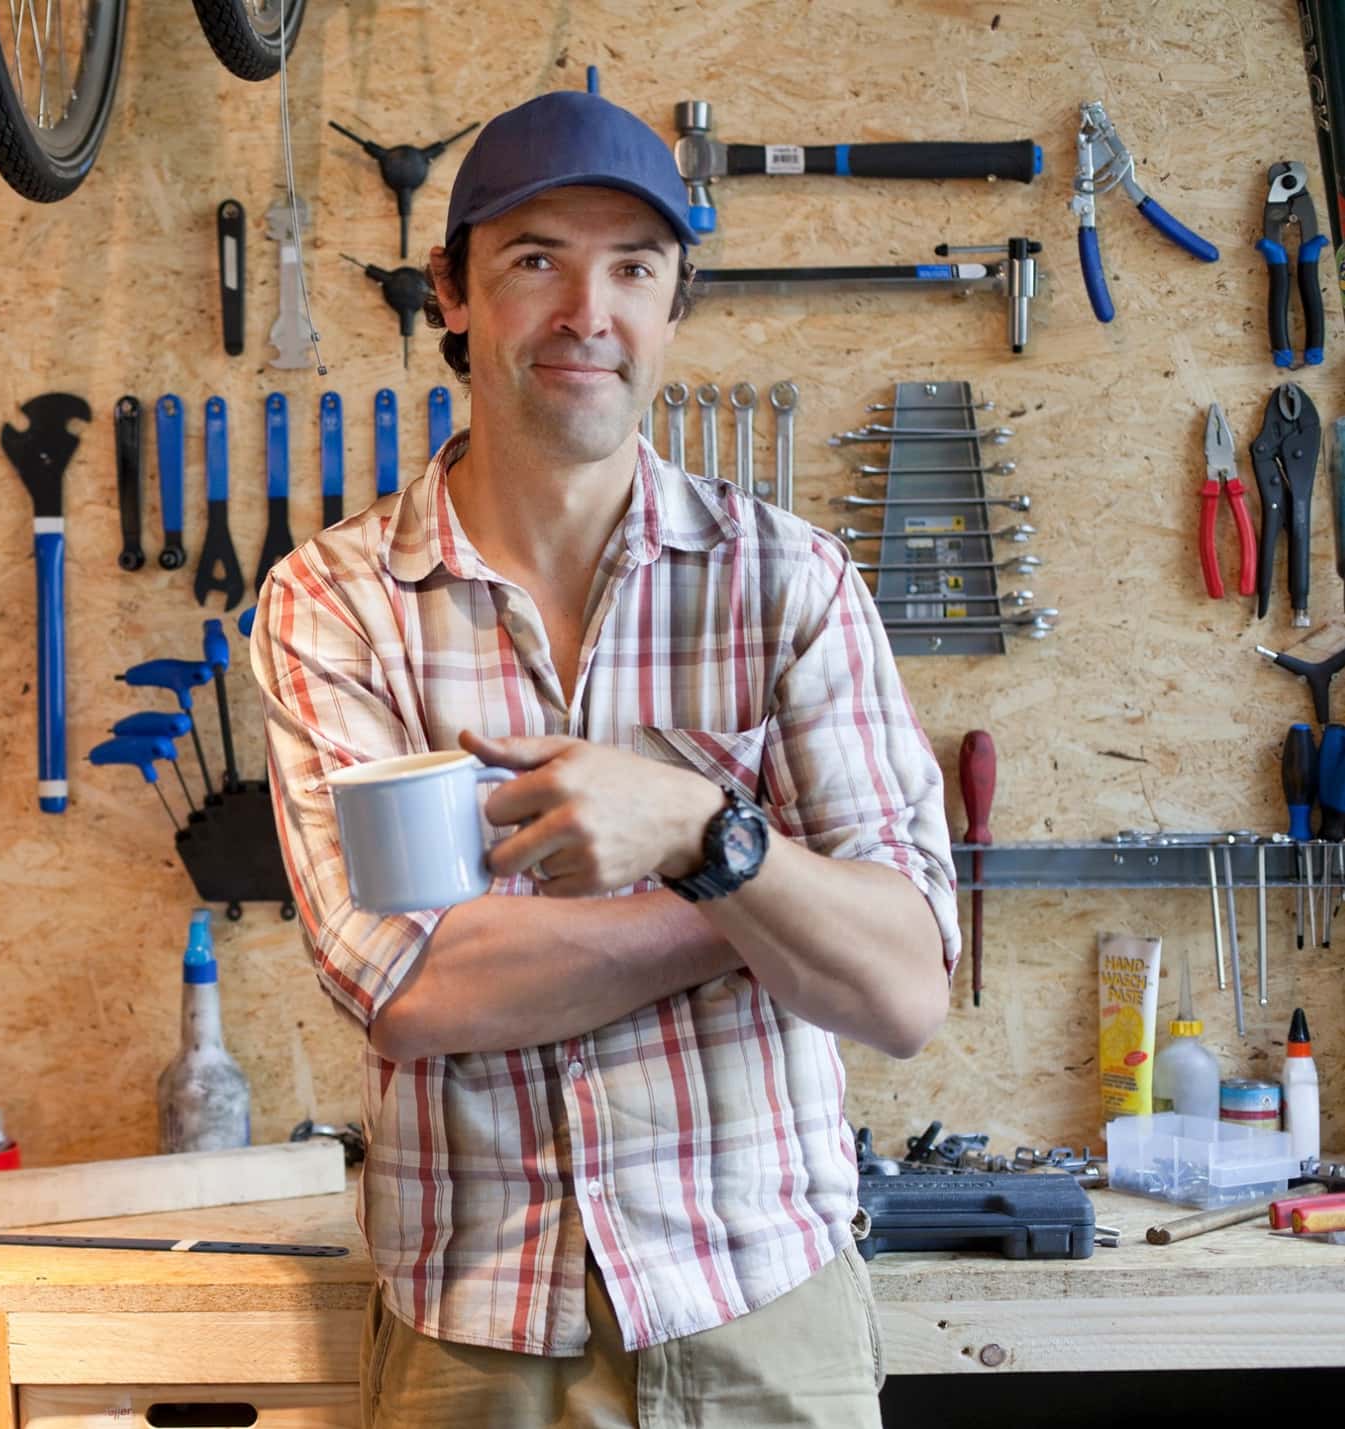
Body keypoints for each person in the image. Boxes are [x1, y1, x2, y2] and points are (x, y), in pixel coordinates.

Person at [252, 89, 959, 1429]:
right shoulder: (333, 601)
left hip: (756, 1309)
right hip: (471, 1331)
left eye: (634, 268)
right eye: (536, 261)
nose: (589, 311)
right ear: (451, 293)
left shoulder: (791, 586)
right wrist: (748, 893)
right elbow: (409, 985)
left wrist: (701, 828)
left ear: (674, 305)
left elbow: (901, 984)